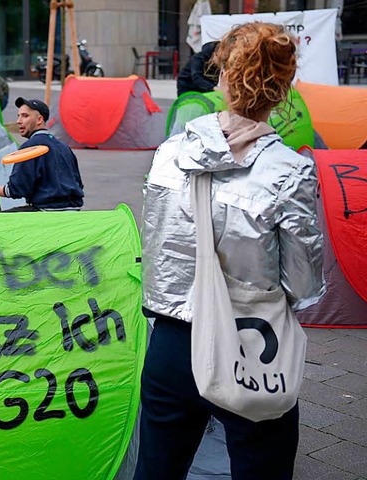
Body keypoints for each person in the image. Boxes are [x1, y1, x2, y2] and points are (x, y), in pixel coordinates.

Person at [136, 22, 325, 480]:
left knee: (158, 467)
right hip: (253, 343)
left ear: (220, 77)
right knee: (262, 462)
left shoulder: (169, 155)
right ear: (282, 90)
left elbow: (157, 245)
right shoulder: (291, 171)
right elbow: (303, 285)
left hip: (171, 342)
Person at [0, 97, 84, 211]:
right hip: (74, 210)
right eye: (18, 116)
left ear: (39, 120)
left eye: (25, 116)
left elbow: (17, 189)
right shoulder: (64, 147)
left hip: (47, 211)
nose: (19, 121)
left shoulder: (30, 148)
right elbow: (78, 184)